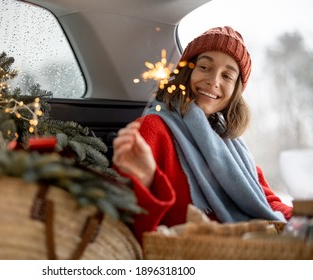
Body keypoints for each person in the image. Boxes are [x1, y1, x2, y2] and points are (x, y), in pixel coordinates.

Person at [112, 26, 293, 242]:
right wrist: (144, 180)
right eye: (205, 67)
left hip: (242, 250)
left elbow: (264, 200)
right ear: (187, 72)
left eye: (227, 75)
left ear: (235, 89)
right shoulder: (151, 128)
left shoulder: (231, 144)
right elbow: (123, 219)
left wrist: (301, 220)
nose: (214, 81)